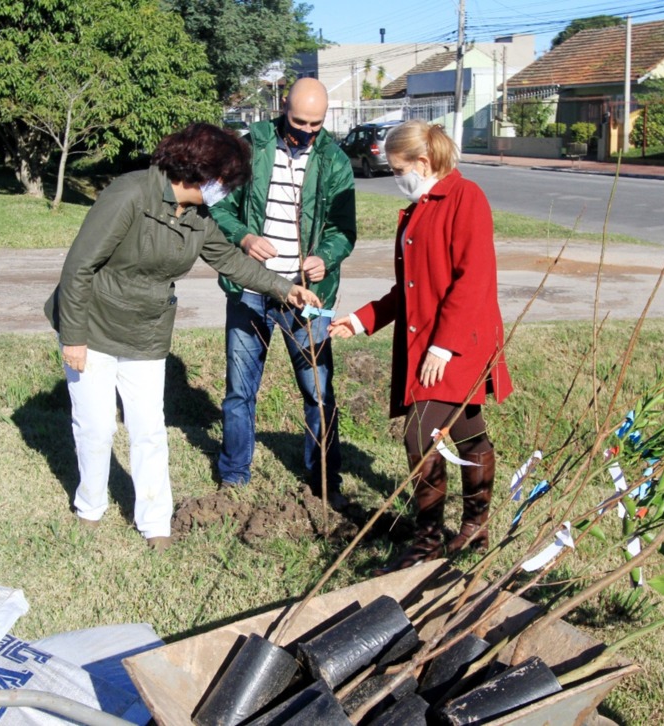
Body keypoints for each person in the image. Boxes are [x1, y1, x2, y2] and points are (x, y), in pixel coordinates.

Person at [44, 123, 320, 552]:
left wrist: (285, 288)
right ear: (203, 173)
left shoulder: (197, 216)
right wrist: (73, 337)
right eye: (227, 182)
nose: (227, 191)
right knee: (96, 427)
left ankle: (155, 522)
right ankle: (90, 508)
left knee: (149, 429)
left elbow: (231, 261)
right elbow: (79, 266)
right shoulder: (130, 194)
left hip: (147, 331)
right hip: (93, 325)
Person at [328, 120, 513, 573]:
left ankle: (429, 538)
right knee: (469, 433)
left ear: (423, 162)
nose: (396, 178)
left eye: (396, 169)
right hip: (431, 342)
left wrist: (444, 347)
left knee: (420, 435)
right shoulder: (417, 211)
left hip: (458, 344)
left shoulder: (466, 199)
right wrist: (361, 319)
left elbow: (474, 280)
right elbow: (407, 289)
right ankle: (477, 526)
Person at [209, 78, 356, 509]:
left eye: (316, 124)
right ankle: (234, 477)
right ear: (281, 107)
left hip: (306, 297)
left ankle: (324, 480)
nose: (307, 132)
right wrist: (244, 237)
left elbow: (344, 231)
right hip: (250, 288)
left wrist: (325, 257)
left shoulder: (335, 160)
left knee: (319, 390)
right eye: (298, 122)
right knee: (239, 390)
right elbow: (216, 203)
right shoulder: (248, 147)